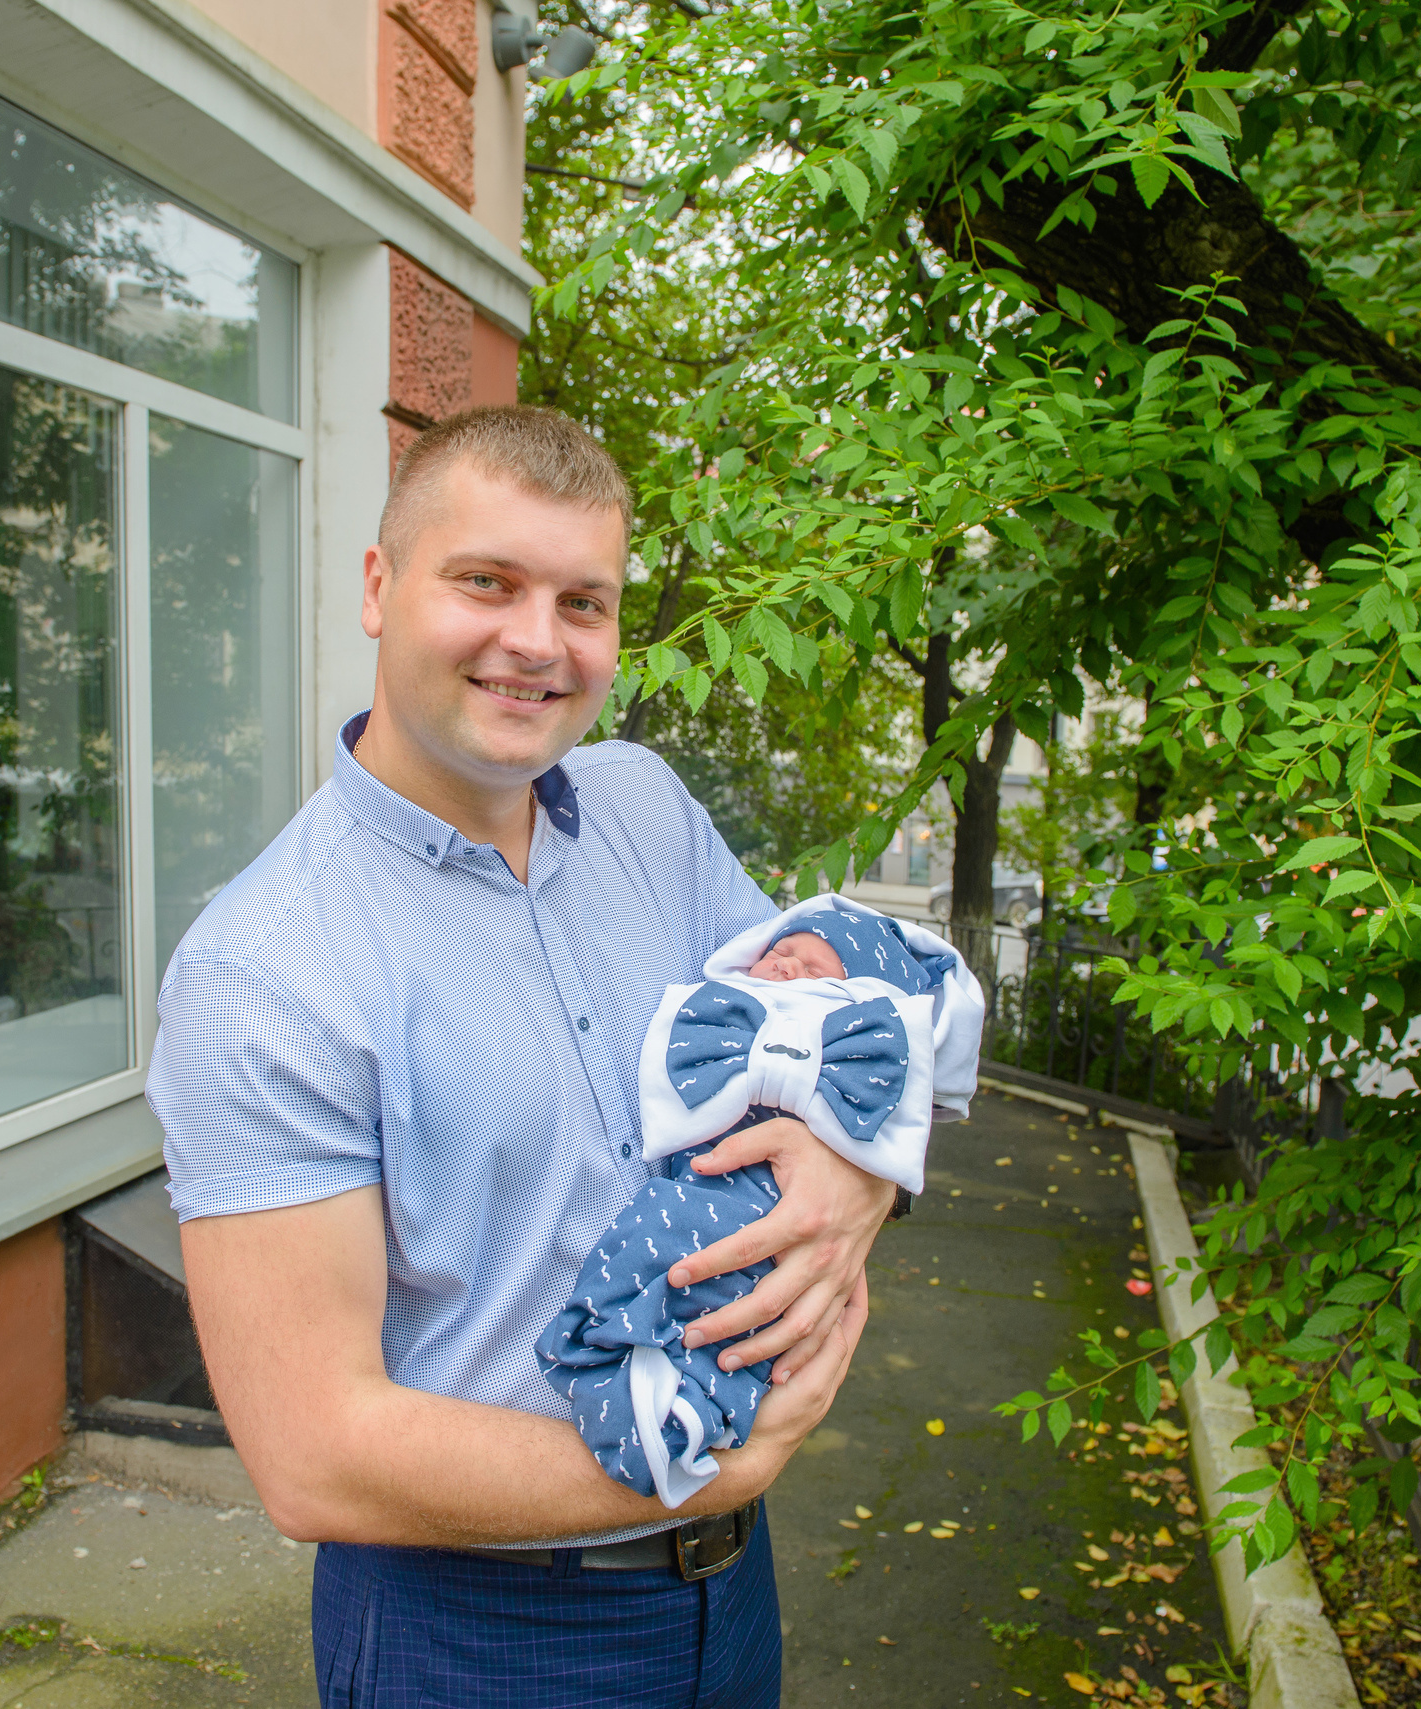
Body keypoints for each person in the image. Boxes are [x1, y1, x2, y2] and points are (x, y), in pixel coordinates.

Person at [147, 406, 898, 1708]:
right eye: (486, 581)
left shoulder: (647, 810)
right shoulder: (264, 975)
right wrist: (709, 1465)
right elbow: (314, 1456)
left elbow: (824, 1033)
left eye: (584, 601)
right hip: (479, 1632)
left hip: (734, 1599)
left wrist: (856, 1180)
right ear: (381, 588)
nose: (537, 643)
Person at [539, 898, 985, 1508]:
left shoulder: (671, 833)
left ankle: (686, 1408)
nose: (785, 968)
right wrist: (756, 1463)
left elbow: (910, 1097)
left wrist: (870, 1176)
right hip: (480, 1564)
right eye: (779, 953)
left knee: (739, 1306)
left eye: (816, 971)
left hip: (736, 1561)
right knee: (665, 1252)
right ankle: (620, 1364)